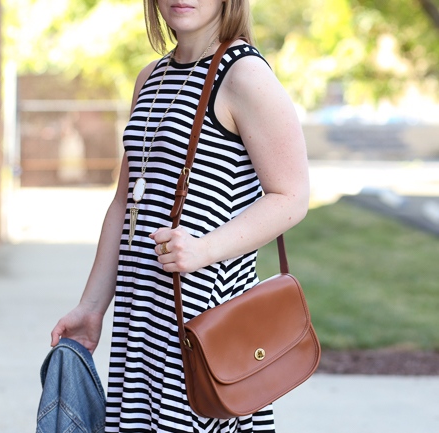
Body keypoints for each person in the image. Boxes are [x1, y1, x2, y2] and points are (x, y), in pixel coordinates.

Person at [50, 0, 309, 431]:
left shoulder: (243, 75)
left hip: (200, 317)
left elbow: (291, 196)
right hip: (144, 313)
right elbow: (124, 204)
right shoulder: (151, 78)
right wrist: (93, 306)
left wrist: (205, 248)